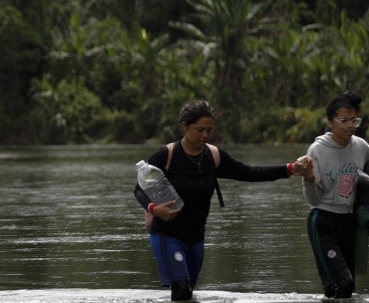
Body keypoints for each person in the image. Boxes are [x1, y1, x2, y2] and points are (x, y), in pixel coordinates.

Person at [133, 100, 311, 302]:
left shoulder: (214, 155)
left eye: (209, 130)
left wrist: (289, 169)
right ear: (184, 126)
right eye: (199, 130)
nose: (205, 135)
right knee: (181, 291)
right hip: (167, 235)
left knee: (188, 292)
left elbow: (249, 173)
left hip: (196, 237)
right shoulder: (167, 155)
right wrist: (154, 209)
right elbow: (139, 190)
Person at [300, 90, 369, 299]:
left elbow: (367, 188)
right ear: (330, 122)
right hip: (322, 221)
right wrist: (308, 178)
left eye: (354, 120)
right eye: (343, 120)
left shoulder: (363, 148)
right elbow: (313, 200)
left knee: (347, 291)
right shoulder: (317, 150)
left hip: (349, 222)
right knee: (342, 283)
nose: (350, 126)